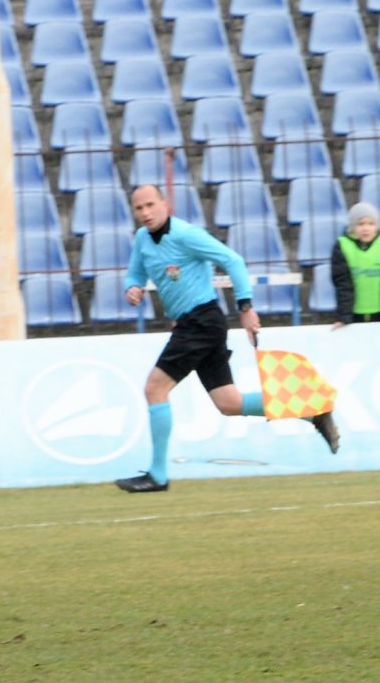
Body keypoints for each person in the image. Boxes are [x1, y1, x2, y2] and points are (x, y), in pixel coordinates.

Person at [115, 184, 338, 492]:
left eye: (150, 205)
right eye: (139, 208)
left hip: (201, 322)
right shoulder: (142, 239)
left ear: (164, 204)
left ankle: (158, 475)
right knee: (229, 403)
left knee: (154, 389)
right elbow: (135, 273)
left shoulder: (186, 235)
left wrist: (245, 307)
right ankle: (311, 410)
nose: (145, 213)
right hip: (194, 325)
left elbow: (233, 260)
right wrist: (133, 287)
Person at [329, 202, 380, 328]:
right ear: (352, 226)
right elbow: (343, 285)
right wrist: (343, 317)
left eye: (371, 224)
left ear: (377, 226)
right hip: (353, 316)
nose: (366, 228)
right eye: (360, 224)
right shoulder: (342, 246)